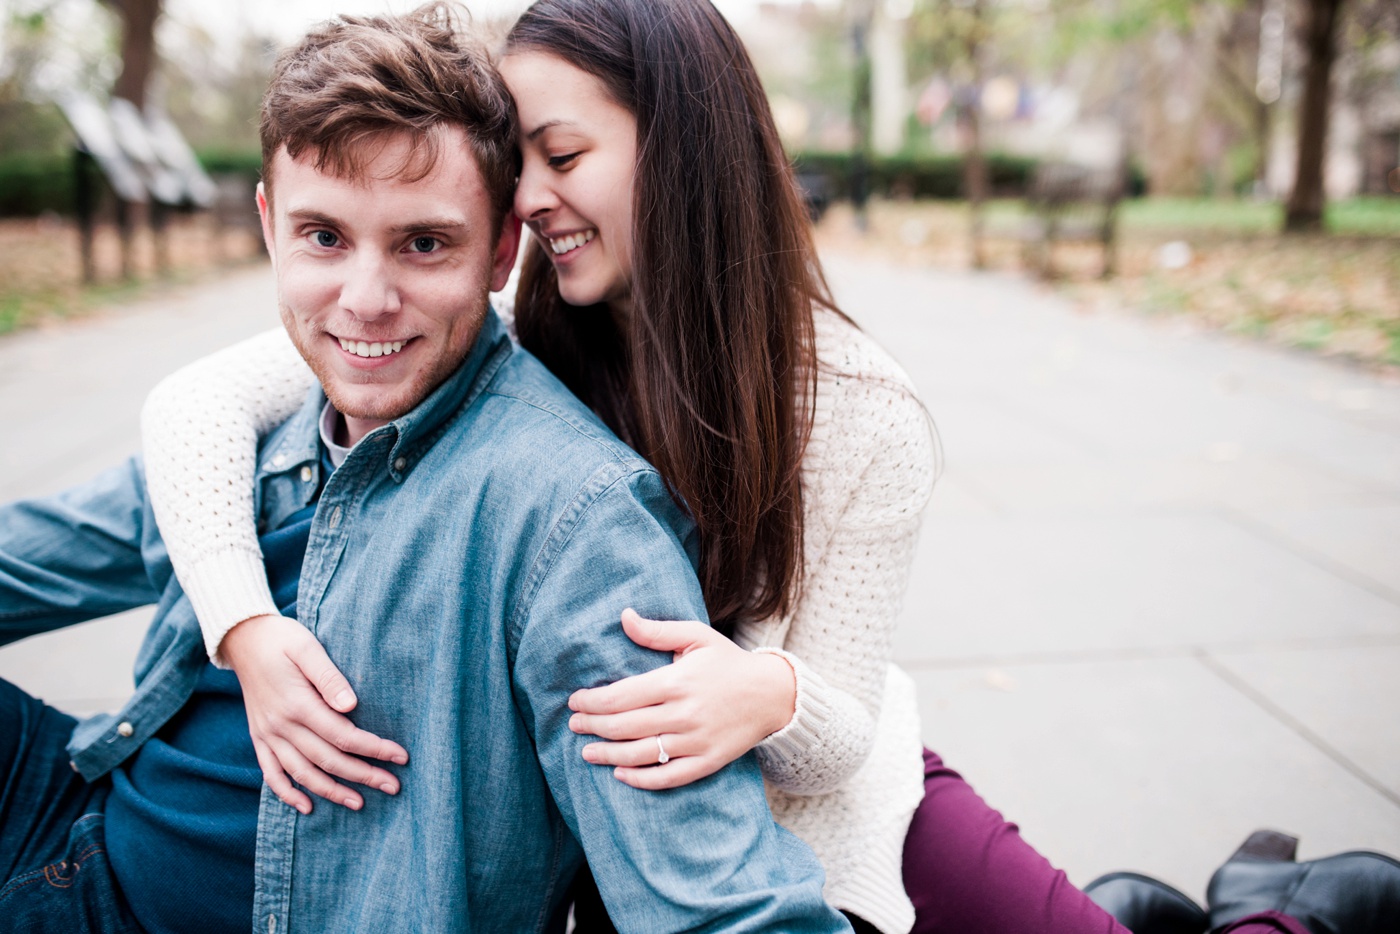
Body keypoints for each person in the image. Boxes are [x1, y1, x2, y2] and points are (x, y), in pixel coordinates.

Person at [135, 1, 1400, 933]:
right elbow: (193, 406)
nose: (527, 197)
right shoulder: (498, 331)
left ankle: (1277, 910)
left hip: (845, 807)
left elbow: (840, 732)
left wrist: (766, 694)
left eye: (561, 156)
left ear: (679, 149)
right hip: (654, 842)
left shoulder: (857, 412)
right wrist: (243, 626)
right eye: (518, 163)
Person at [0, 6, 852, 933]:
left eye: (423, 244)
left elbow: (726, 907)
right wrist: (241, 626)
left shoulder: (575, 521)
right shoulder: (259, 437)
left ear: (500, 249)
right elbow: (35, 555)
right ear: (268, 225)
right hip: (71, 823)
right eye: (323, 236)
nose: (365, 302)